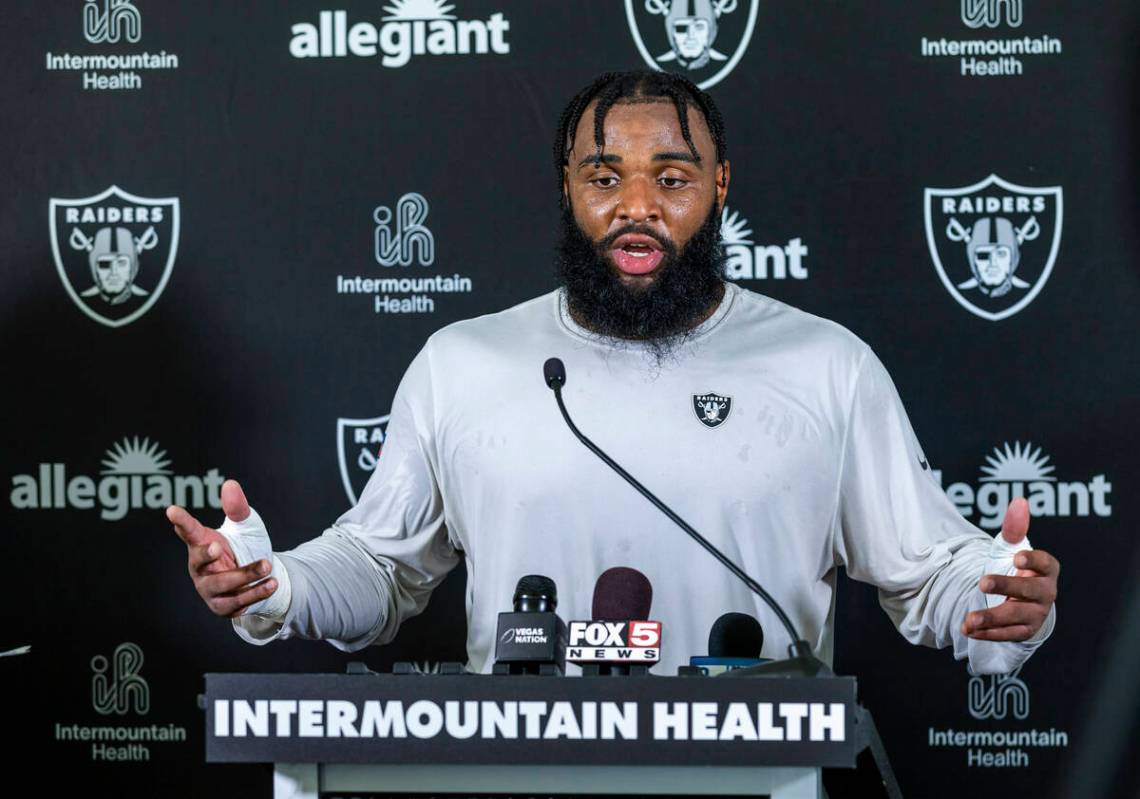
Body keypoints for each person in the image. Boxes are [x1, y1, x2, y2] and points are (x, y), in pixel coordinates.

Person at [168, 71, 1058, 675]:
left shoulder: (827, 365)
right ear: (567, 186)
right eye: (605, 177)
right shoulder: (462, 363)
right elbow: (377, 567)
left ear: (719, 187)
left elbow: (930, 569)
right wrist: (276, 585)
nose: (637, 206)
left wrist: (1001, 594)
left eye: (672, 177)